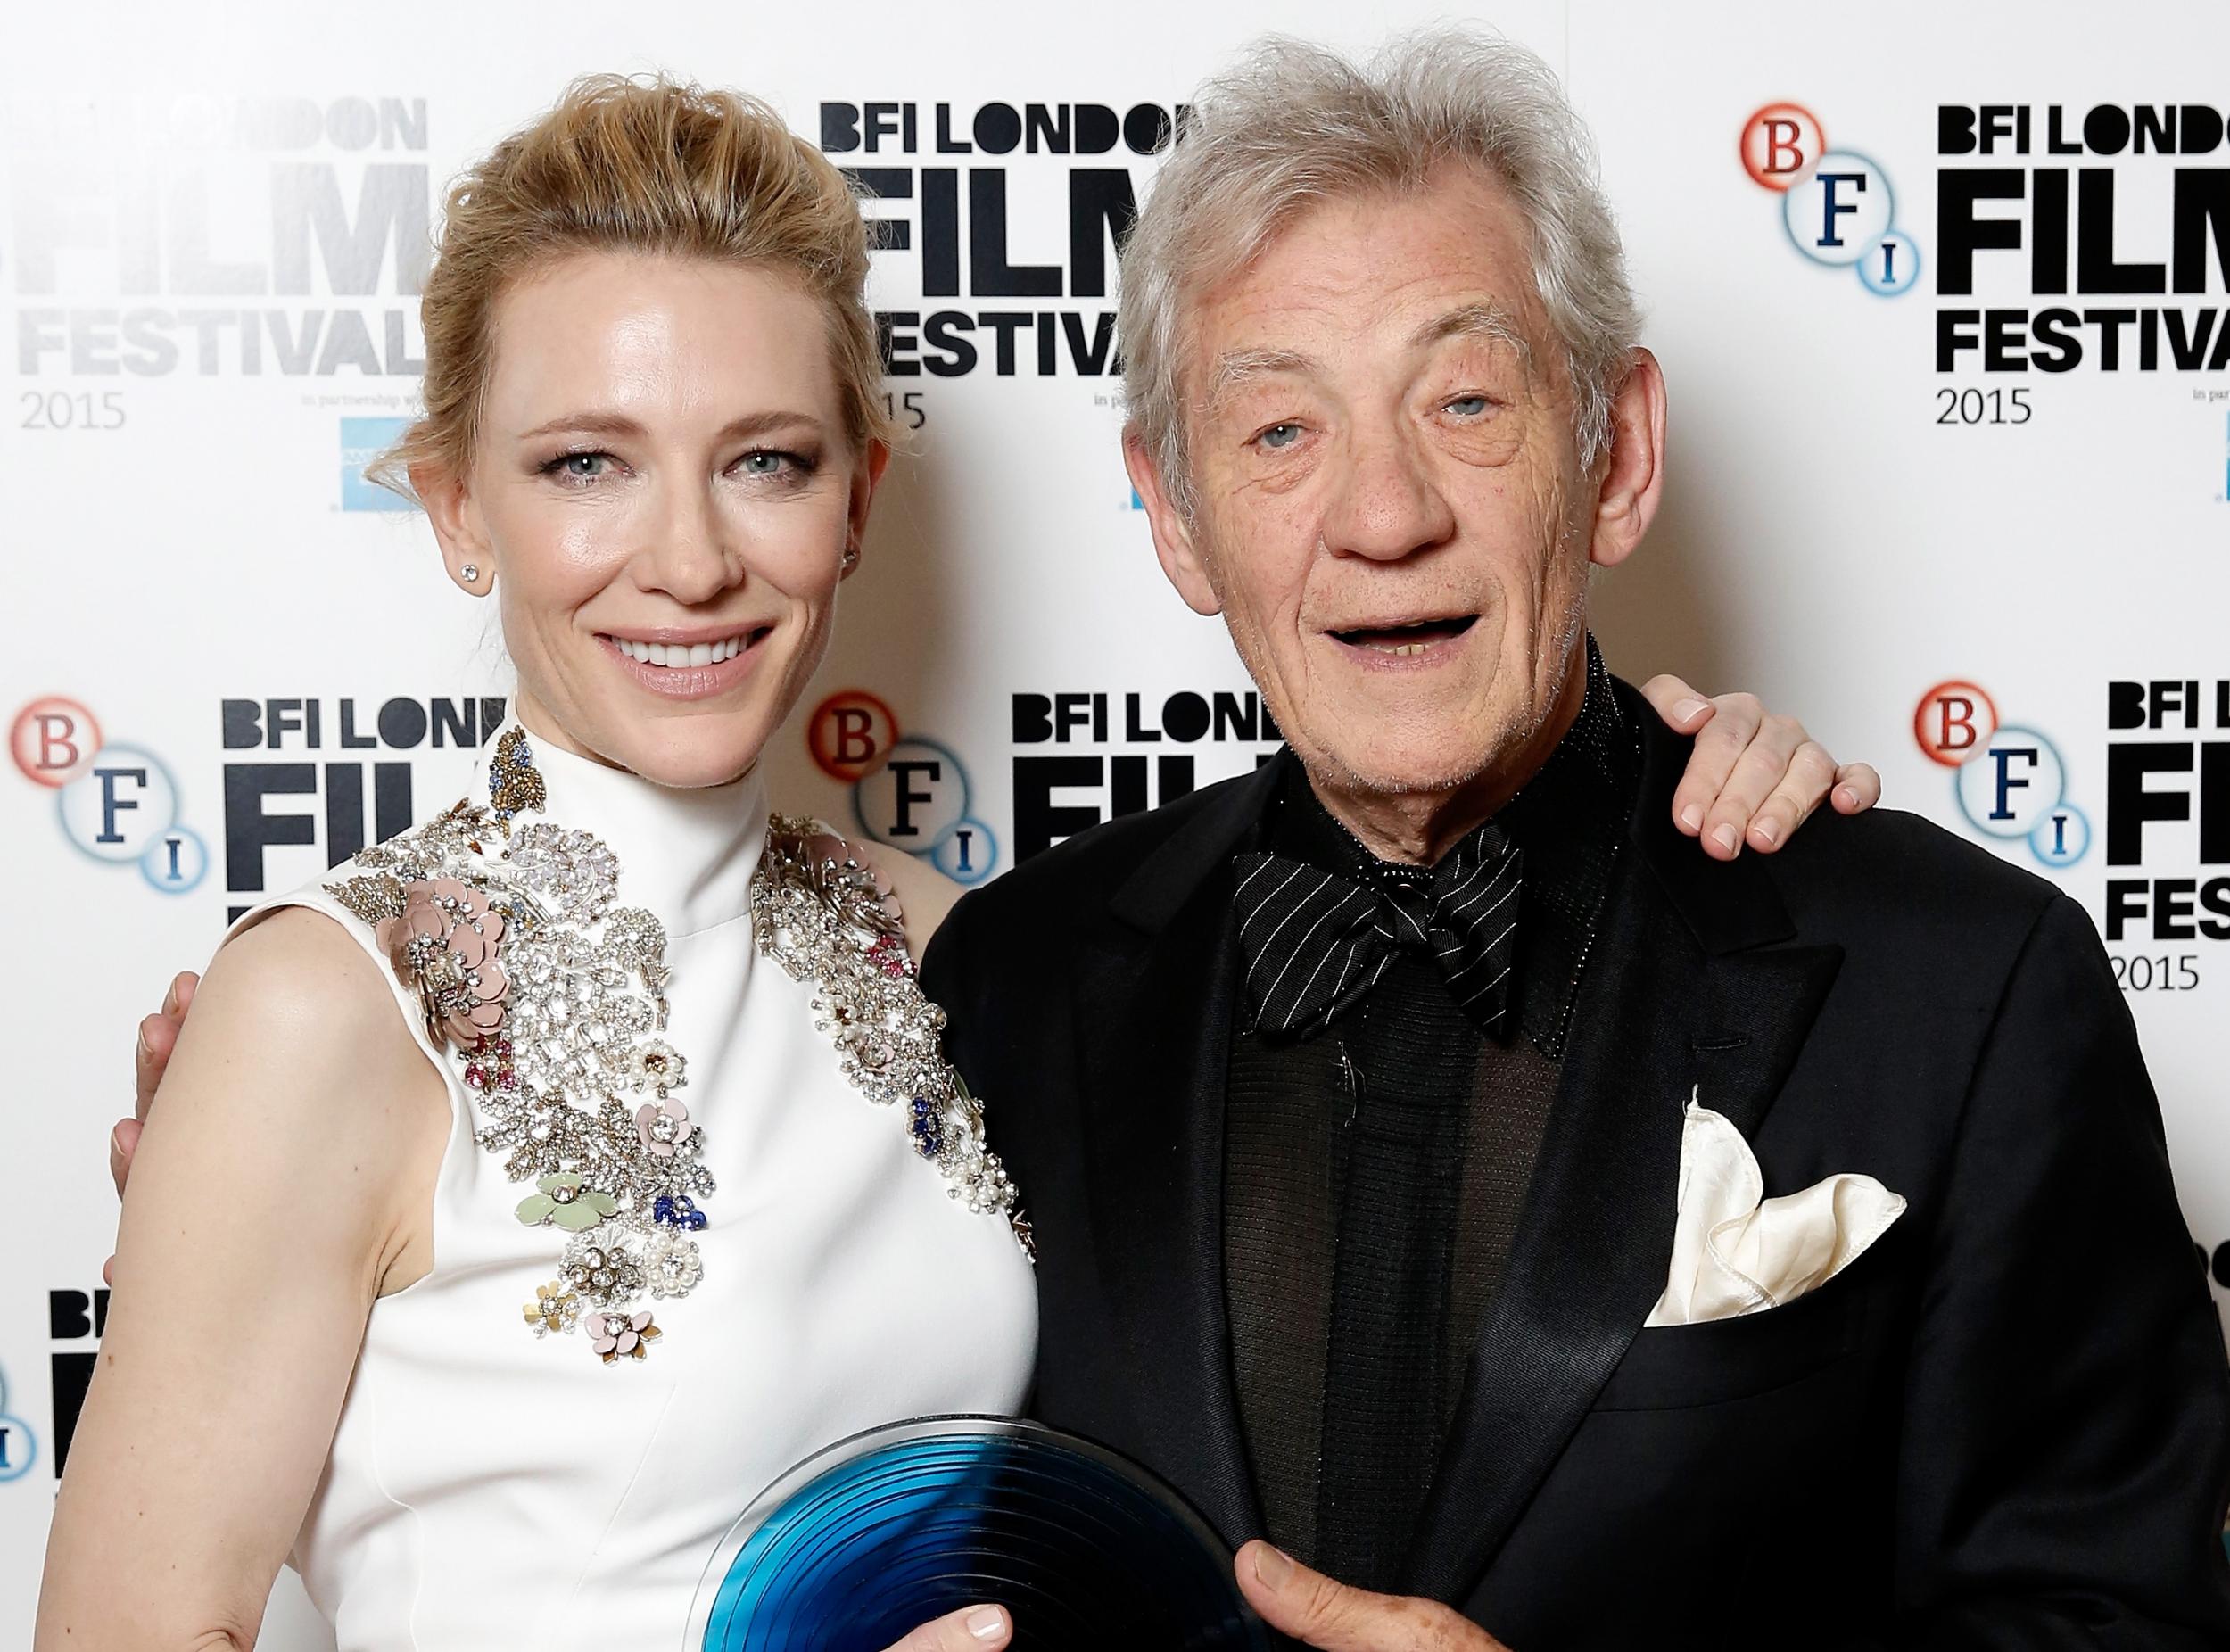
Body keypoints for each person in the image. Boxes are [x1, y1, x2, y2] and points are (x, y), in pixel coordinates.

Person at [46, 68, 1870, 1652]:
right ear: (458, 505)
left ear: (854, 498)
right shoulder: (324, 1004)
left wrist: (1662, 787)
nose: (683, 559)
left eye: (760, 458)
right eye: (585, 463)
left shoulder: (961, 952)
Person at [914, 29, 2230, 1652]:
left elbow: (2114, 1623)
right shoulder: (1010, 988)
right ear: (1176, 516)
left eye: (1466, 400)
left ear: (1617, 455)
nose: (1384, 514)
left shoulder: (1962, 990)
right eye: (1278, 433)